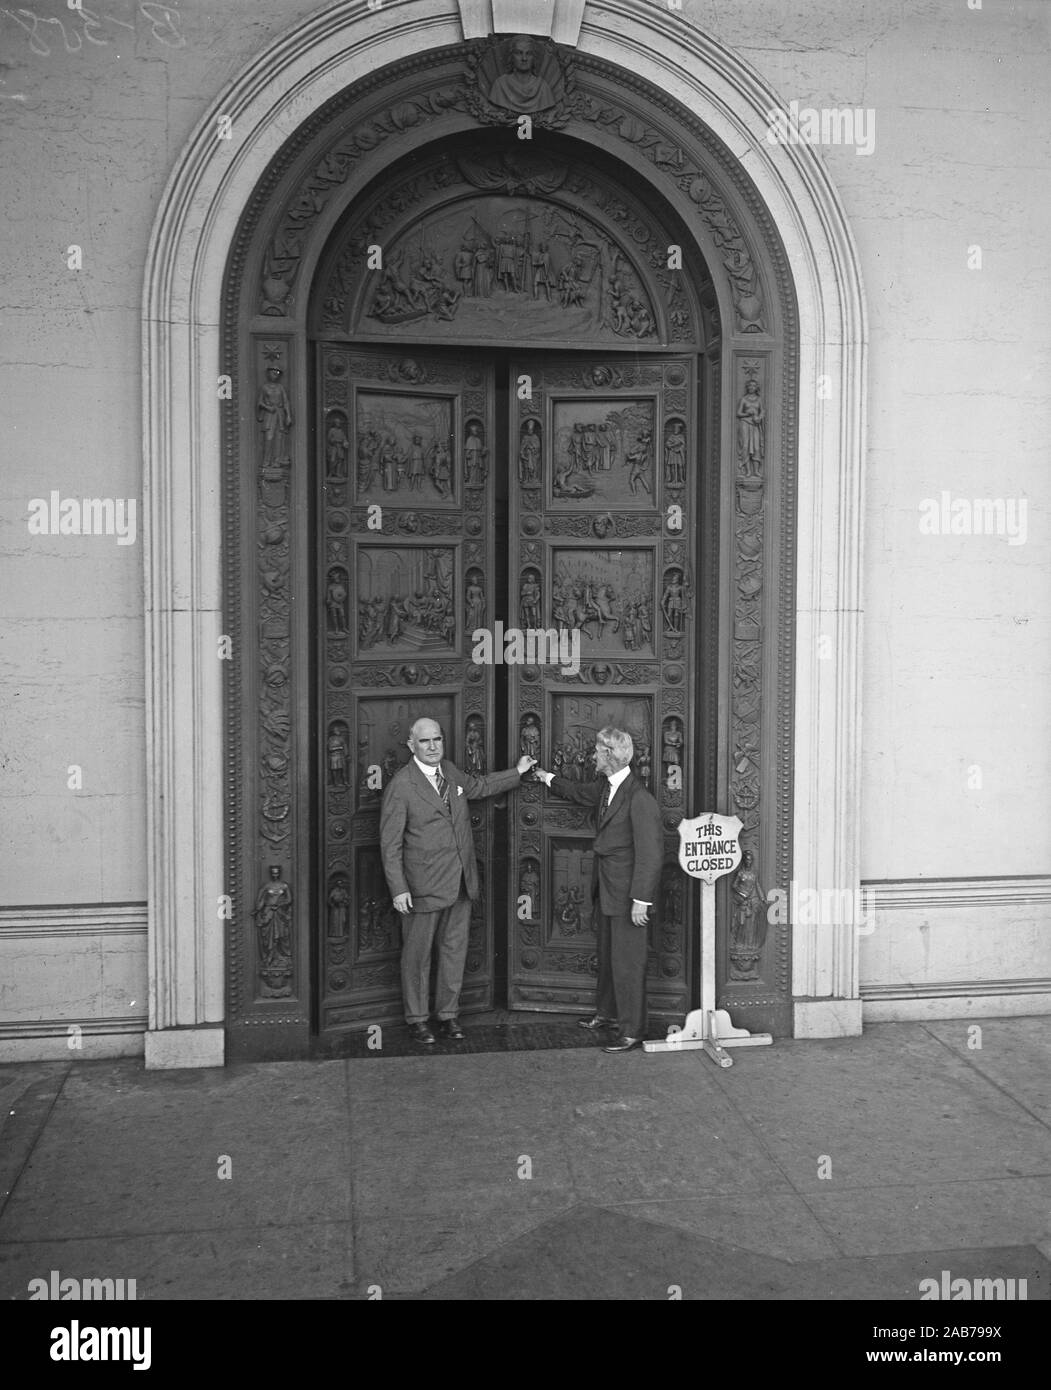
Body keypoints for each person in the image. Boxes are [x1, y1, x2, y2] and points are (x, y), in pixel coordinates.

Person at [380, 718, 536, 1043]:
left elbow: (479, 786)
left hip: (461, 882)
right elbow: (390, 844)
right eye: (425, 742)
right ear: (411, 745)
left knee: (454, 952)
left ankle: (448, 1015)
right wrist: (398, 889)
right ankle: (418, 1019)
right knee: (417, 956)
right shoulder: (401, 786)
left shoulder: (449, 771)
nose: (433, 746)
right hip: (422, 887)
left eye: (438, 739)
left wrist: (517, 772)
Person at [534, 727, 662, 1051]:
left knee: (628, 962)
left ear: (610, 755)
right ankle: (606, 1014)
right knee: (608, 958)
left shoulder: (639, 798)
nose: (592, 755)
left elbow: (651, 854)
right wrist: (547, 777)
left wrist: (641, 900)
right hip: (607, 890)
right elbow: (578, 793)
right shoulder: (608, 787)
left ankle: (632, 1030)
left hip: (627, 895)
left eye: (597, 751)